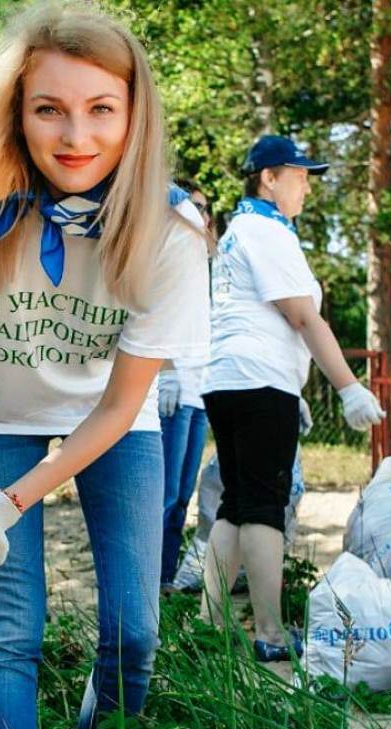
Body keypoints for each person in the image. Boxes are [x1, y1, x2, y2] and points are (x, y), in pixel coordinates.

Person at [0, 3, 209, 729]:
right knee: (11, 632)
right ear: (16, 114)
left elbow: (122, 404)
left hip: (111, 420)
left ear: (133, 114)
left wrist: (9, 503)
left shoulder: (170, 231)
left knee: (134, 632)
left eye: (101, 109)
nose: (76, 137)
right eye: (49, 109)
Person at [200, 134, 385, 662]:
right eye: (299, 175)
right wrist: (348, 387)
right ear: (268, 178)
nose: (306, 186)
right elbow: (304, 317)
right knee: (264, 505)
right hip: (259, 380)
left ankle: (211, 624)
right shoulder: (266, 231)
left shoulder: (241, 230)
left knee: (237, 502)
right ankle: (271, 633)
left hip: (228, 379)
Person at [158, 186, 214, 589]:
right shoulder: (165, 251)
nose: (201, 215)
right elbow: (148, 308)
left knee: (181, 497)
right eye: (194, 207)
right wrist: (165, 371)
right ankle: (150, 579)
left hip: (199, 392)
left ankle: (165, 578)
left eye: (205, 209)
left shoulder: (201, 263)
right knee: (163, 496)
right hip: (172, 389)